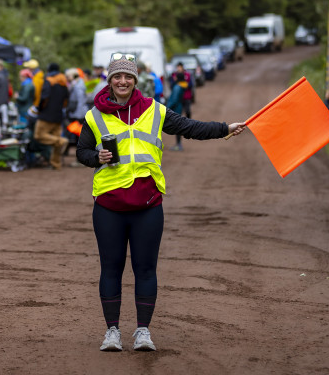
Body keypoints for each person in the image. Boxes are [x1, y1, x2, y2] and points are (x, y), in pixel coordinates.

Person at [76, 53, 246, 352]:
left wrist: (225, 128)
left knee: (145, 269)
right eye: (117, 76)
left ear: (136, 79)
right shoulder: (94, 116)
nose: (123, 81)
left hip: (147, 205)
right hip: (108, 205)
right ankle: (112, 332)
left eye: (128, 76)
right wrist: (95, 157)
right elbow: (82, 152)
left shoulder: (154, 110)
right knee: (110, 269)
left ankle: (143, 332)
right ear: (110, 80)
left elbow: (190, 128)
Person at [34, 63, 69, 170]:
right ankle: (56, 164)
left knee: (38, 135)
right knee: (56, 144)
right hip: (58, 115)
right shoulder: (64, 82)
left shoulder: (48, 81)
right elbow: (66, 100)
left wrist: (39, 109)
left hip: (46, 115)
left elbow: (44, 97)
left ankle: (62, 141)